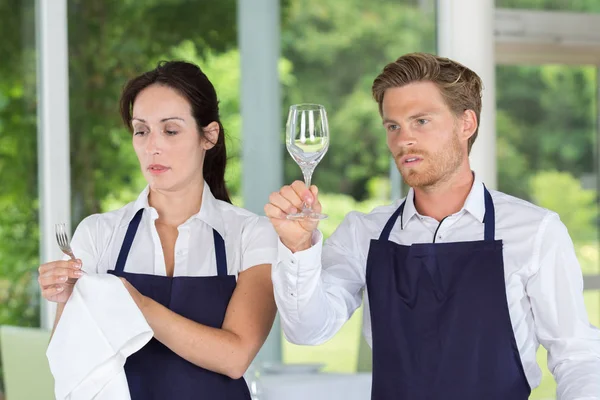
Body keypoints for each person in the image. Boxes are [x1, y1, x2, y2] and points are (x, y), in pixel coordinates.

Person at [265, 52, 600, 399]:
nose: (403, 139)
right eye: (393, 126)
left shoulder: (535, 231)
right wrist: (298, 248)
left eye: (421, 121)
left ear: (466, 124)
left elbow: (577, 356)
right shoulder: (363, 233)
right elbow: (306, 330)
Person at [38, 61, 278, 399]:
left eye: (171, 130)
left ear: (209, 135)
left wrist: (133, 302)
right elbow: (72, 366)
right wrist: (70, 303)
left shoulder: (251, 235)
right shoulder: (97, 234)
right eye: (141, 130)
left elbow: (235, 357)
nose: (153, 146)